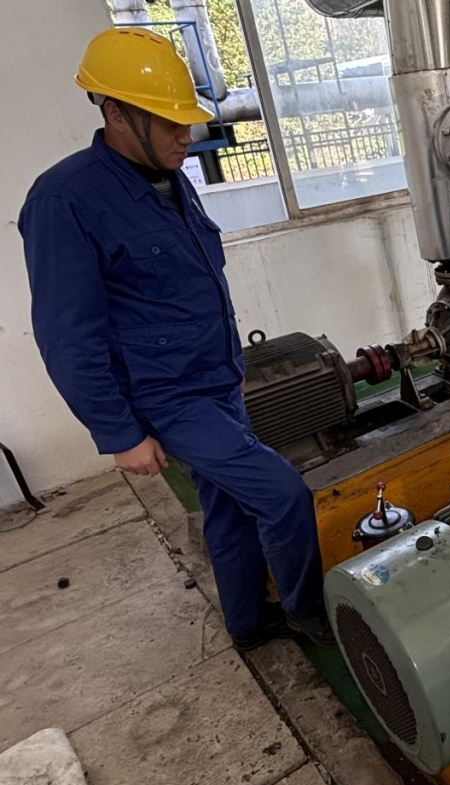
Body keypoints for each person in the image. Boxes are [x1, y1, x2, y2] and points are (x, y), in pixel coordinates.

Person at [19, 28, 333, 651]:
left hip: (217, 380)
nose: (187, 135)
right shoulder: (65, 200)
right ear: (116, 113)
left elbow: (189, 284)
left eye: (186, 120)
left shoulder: (167, 177)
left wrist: (230, 364)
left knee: (228, 507)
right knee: (283, 496)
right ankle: (307, 612)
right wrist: (119, 432)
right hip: (167, 398)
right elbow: (67, 336)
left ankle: (248, 623)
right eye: (169, 122)